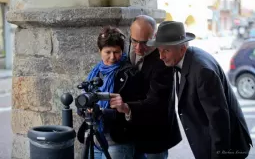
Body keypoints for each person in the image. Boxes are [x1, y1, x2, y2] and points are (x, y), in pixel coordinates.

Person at [144, 21, 253, 159]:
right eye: (159, 50)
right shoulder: (185, 58)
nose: (161, 56)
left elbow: (219, 122)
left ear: (182, 48)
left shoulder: (202, 71)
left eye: (166, 50)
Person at [110, 15, 182, 159]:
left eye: (144, 43)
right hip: (131, 133)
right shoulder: (128, 47)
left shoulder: (163, 60)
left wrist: (126, 107)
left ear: (154, 36)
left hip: (155, 134)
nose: (138, 48)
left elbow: (156, 102)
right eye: (134, 41)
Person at [77, 26, 143, 159]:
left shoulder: (130, 74)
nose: (112, 57)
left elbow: (136, 112)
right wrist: (85, 110)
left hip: (118, 141)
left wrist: (105, 112)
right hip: (95, 139)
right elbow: (85, 103)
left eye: (117, 52)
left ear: (122, 50)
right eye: (108, 52)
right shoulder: (96, 72)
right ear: (99, 51)